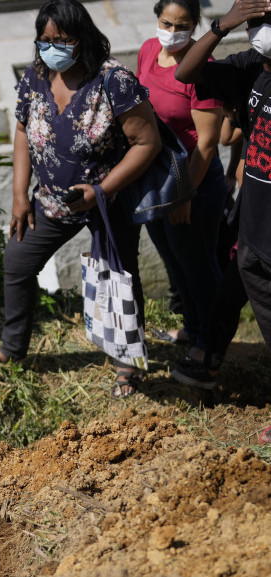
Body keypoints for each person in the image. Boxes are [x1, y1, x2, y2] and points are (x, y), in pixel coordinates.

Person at [0, 0, 161, 398]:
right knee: (18, 261)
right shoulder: (36, 75)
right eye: (45, 40)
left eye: (62, 40)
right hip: (53, 201)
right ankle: (12, 349)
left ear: (81, 39)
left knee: (119, 275)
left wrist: (101, 190)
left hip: (107, 198)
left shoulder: (112, 80)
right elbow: (21, 130)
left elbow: (146, 141)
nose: (53, 48)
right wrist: (20, 195)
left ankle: (128, 363)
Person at [172, 0, 271, 391]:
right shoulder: (248, 68)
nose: (264, 29)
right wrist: (221, 26)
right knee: (231, 294)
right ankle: (209, 365)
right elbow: (186, 71)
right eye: (258, 21)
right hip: (254, 222)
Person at [136, 0, 230, 367]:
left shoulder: (202, 69)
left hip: (194, 184)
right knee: (174, 262)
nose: (172, 32)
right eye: (166, 22)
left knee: (198, 265)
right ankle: (191, 329)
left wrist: (184, 195)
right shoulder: (147, 51)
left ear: (195, 25)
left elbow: (206, 144)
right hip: (157, 180)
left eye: (182, 25)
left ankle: (209, 344)